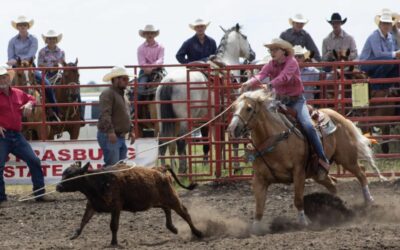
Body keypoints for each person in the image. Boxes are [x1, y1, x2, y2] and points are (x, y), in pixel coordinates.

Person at [240, 38, 330, 180]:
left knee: (308, 126)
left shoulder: (292, 62)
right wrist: (248, 83)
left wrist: (270, 85)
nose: (272, 52)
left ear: (283, 51)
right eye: (271, 50)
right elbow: (260, 75)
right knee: (261, 120)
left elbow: (285, 77)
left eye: (275, 49)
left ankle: (322, 159)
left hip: (296, 102)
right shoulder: (271, 64)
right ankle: (260, 155)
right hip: (279, 101)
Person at [0, 65, 48, 202]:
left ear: (9, 78)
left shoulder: (18, 93)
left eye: (4, 77)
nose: (2, 80)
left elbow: (32, 98)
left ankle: (39, 193)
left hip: (16, 135)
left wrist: (29, 104)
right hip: (2, 137)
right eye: (0, 78)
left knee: (34, 160)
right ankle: (1, 198)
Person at [7, 16, 60, 120]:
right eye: (20, 25)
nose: (22, 27)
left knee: (47, 85)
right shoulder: (12, 41)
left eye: (24, 25)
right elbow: (10, 58)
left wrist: (17, 60)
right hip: (16, 69)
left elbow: (30, 55)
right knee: (3, 86)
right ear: (17, 27)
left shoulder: (33, 39)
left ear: (28, 26)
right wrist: (16, 61)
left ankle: (55, 112)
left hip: (30, 67)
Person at [97, 66, 135, 167]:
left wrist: (131, 130)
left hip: (119, 136)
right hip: (110, 135)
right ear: (115, 80)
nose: (127, 81)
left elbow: (127, 115)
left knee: (119, 167)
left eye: (127, 79)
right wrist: (110, 132)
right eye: (124, 79)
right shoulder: (108, 94)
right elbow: (105, 115)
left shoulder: (123, 95)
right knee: (113, 167)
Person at [359, 9, 400, 91]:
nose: (386, 25)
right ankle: (375, 88)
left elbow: (391, 53)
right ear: (380, 24)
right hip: (366, 64)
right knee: (389, 61)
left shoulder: (390, 37)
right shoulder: (374, 36)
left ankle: (384, 89)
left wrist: (396, 54)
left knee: (397, 65)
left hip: (379, 64)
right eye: (384, 23)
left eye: (388, 23)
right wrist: (395, 54)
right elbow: (379, 54)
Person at [137, 24, 165, 98]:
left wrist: (151, 68)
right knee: (140, 88)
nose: (150, 35)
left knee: (169, 85)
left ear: (155, 34)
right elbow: (141, 62)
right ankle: (136, 108)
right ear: (145, 35)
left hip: (158, 70)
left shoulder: (161, 47)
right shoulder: (140, 48)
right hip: (144, 71)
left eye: (152, 33)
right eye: (148, 33)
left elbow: (161, 60)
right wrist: (147, 69)